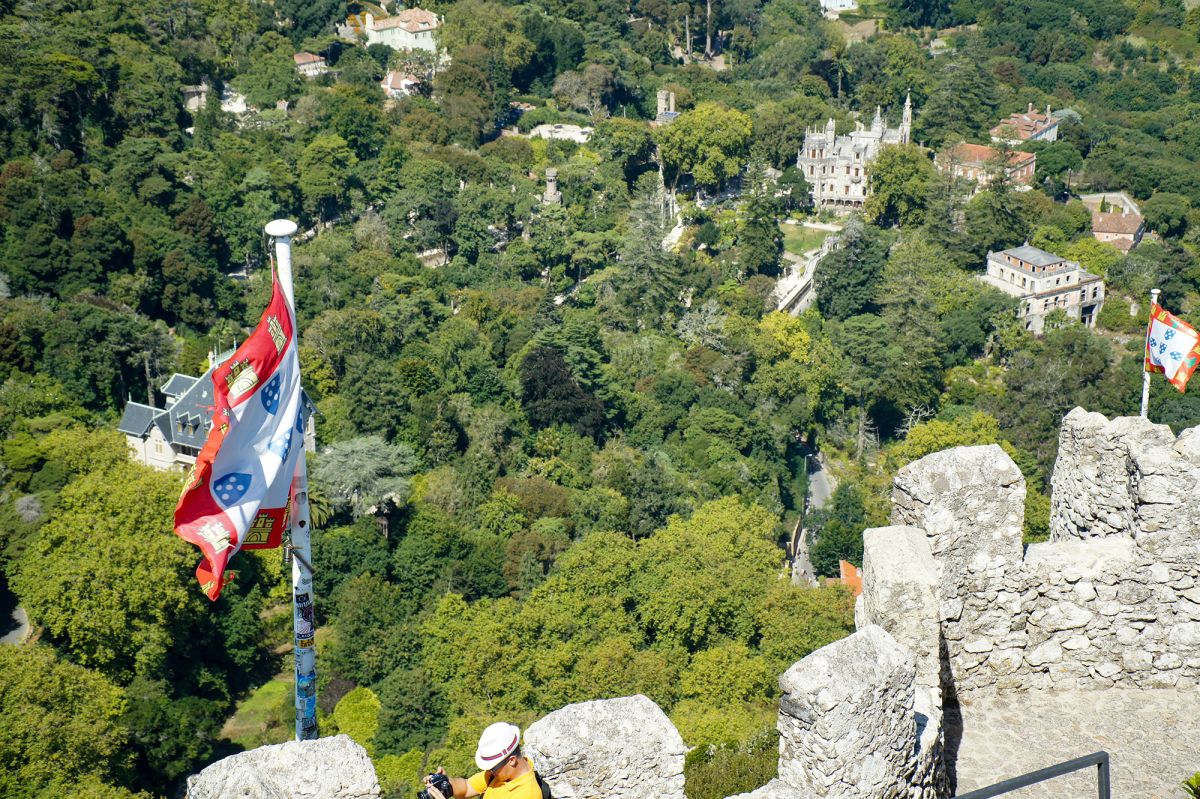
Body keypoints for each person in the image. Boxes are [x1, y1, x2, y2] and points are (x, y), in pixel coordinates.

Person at [423, 722, 546, 799]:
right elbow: (466, 787)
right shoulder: (499, 774)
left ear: (512, 760)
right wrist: (445, 783)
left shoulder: (527, 794)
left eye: (492, 768)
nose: (490, 771)